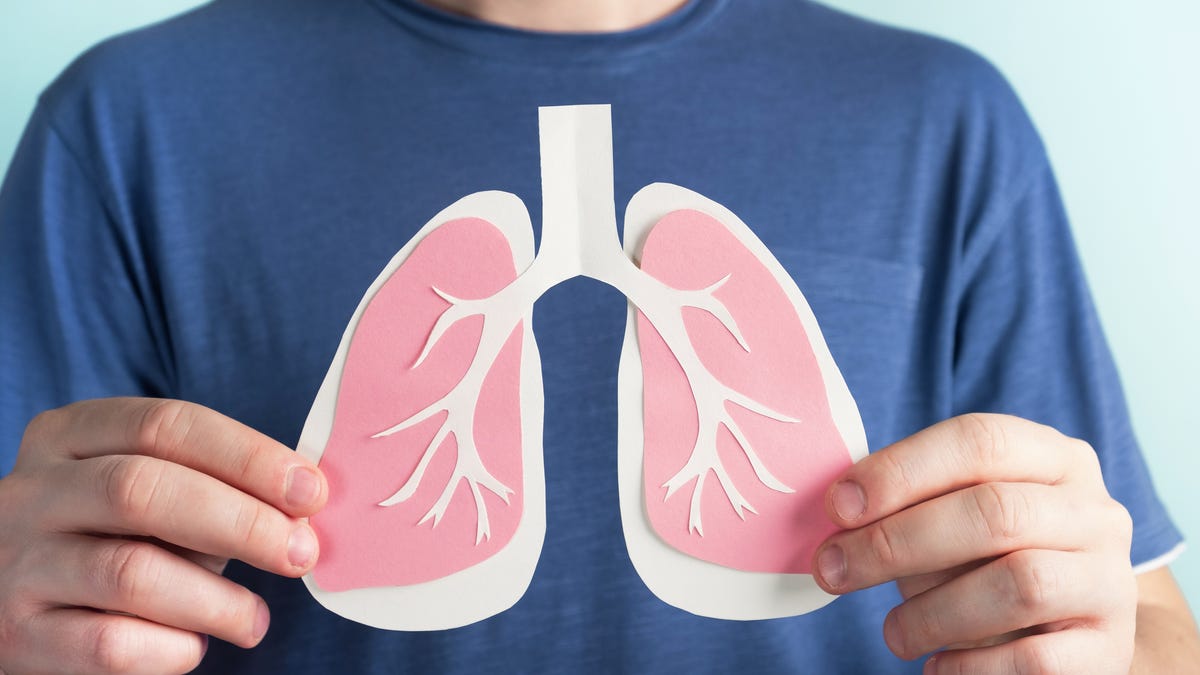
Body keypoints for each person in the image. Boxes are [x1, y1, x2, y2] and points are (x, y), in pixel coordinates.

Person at [0, 0, 1197, 672]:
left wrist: (1104, 651)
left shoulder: (943, 119)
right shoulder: (131, 124)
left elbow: (1148, 629)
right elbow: (36, 596)